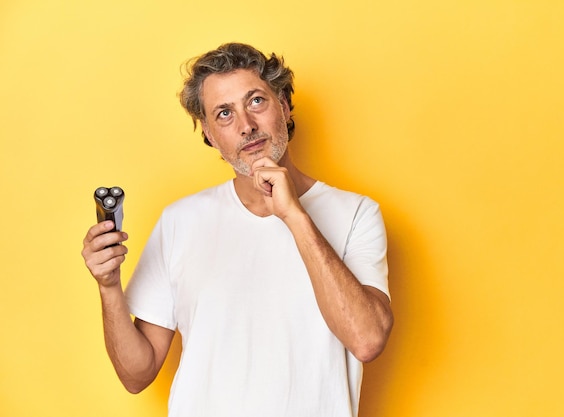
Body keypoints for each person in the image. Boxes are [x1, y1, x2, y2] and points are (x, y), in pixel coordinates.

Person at [82, 42, 393, 417]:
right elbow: (137, 374)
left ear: (284, 105)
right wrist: (109, 286)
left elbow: (366, 340)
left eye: (257, 101)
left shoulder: (356, 213)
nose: (246, 126)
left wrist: (294, 215)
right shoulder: (180, 221)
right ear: (210, 135)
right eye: (224, 113)